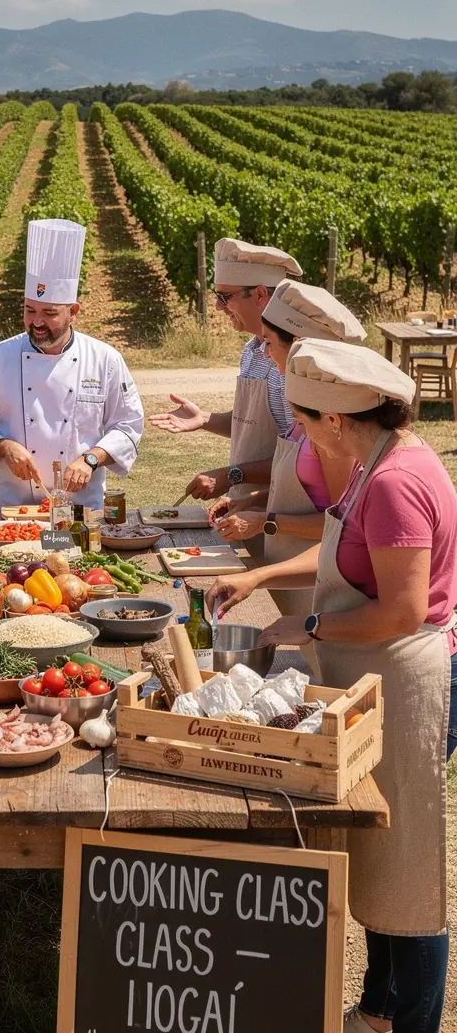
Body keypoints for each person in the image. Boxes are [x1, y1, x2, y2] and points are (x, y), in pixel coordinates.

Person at [207, 339, 456, 1033]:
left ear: (339, 421)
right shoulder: (373, 463)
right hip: (373, 675)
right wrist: (260, 578)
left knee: (406, 865)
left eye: (306, 422)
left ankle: (414, 1021)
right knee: (377, 853)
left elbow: (403, 610)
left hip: (406, 680)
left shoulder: (396, 481)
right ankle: (381, 1007)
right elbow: (344, 546)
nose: (304, 436)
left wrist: (310, 627)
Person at [208, 279, 366, 624]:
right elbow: (311, 487)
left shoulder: (332, 428)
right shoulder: (305, 413)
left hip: (322, 588)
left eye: (268, 343)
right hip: (293, 576)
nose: (264, 353)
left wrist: (266, 521)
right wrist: (251, 499)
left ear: (299, 350)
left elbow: (342, 526)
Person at [0, 219, 144, 509]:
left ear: (74, 312)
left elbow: (128, 425)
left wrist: (90, 459)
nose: (37, 322)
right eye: (30, 310)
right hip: (12, 507)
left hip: (82, 508)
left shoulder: (105, 360)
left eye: (49, 312)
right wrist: (5, 447)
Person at [149, 238, 303, 564]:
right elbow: (256, 422)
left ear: (260, 295)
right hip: (249, 508)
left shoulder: (292, 364)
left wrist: (231, 475)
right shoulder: (253, 351)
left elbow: (301, 459)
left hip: (288, 516)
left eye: (225, 297)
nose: (218, 306)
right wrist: (205, 419)